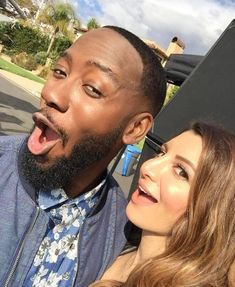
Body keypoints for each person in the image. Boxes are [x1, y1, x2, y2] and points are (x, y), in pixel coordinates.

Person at [0, 26, 166, 287]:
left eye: (91, 89)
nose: (52, 95)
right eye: (59, 72)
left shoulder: (120, 236)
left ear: (135, 128)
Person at [91, 122, 235, 287]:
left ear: (212, 211)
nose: (148, 167)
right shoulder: (109, 234)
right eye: (161, 153)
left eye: (181, 171)